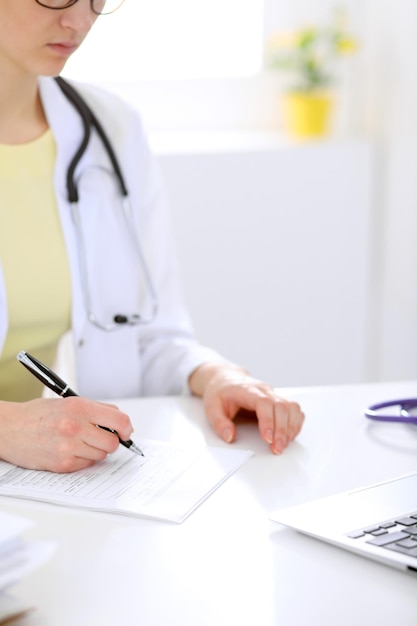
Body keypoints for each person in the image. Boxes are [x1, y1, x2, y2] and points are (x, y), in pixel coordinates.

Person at [0, 0, 304, 473]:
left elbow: (148, 332)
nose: (80, 20)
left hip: (49, 489)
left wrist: (215, 376)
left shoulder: (110, 128)